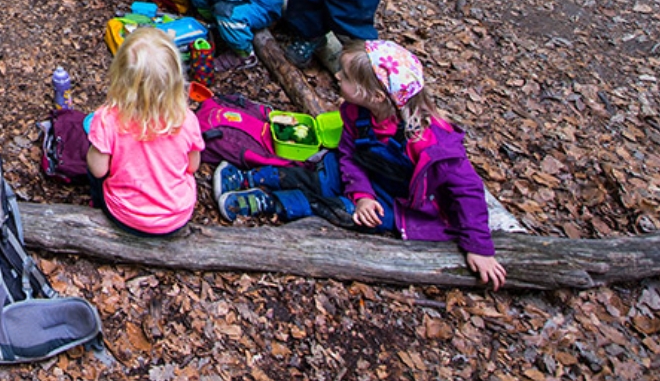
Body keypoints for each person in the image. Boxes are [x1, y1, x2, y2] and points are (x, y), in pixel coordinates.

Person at [215, 40, 507, 290]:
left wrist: (479, 247)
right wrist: (363, 192)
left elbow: (468, 192)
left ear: (376, 95)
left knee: (345, 212)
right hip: (366, 180)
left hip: (399, 204)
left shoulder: (432, 143)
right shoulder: (357, 112)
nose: (337, 76)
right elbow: (348, 153)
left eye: (345, 76)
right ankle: (259, 176)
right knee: (325, 169)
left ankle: (272, 202)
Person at [85, 29, 203, 237]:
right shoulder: (185, 119)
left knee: (94, 157)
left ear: (120, 77)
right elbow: (193, 166)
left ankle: (97, 204)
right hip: (176, 216)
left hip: (125, 215)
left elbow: (98, 170)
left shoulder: (107, 119)